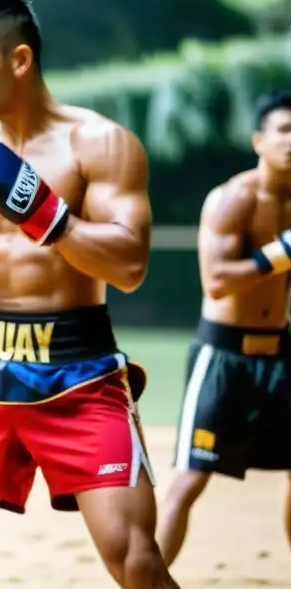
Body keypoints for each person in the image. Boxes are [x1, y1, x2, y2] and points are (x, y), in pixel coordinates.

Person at [0, 0, 179, 588]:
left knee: (137, 561)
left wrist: (46, 214)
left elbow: (129, 266)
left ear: (19, 60)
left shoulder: (97, 144)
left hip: (81, 373)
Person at [157, 90, 291, 565]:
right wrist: (281, 253)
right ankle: (144, 579)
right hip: (223, 356)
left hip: (281, 353)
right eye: (284, 131)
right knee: (191, 477)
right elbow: (216, 282)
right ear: (259, 140)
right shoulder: (234, 198)